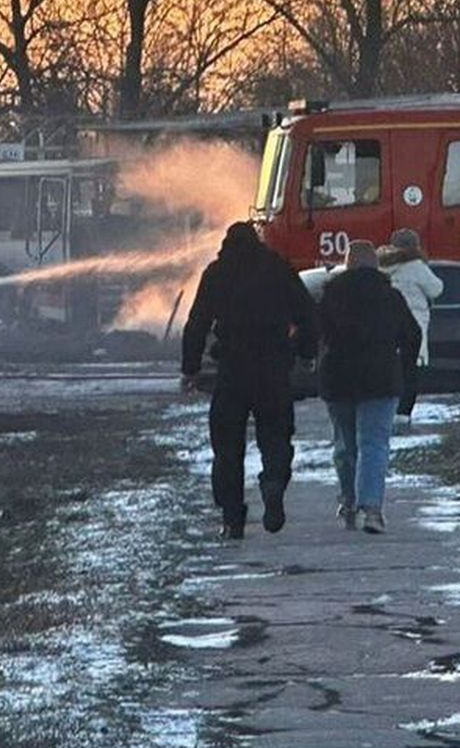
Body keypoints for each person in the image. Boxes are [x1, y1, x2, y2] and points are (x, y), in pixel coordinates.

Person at [182, 222, 318, 540]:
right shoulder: (278, 268)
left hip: (232, 369)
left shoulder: (217, 272)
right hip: (273, 368)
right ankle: (273, 484)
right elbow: (307, 314)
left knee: (227, 447)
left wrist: (190, 368)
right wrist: (306, 352)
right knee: (276, 436)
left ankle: (232, 518)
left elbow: (197, 322)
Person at [317, 240, 421, 534]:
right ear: (376, 265)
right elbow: (412, 334)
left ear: (347, 264)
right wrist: (401, 361)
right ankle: (372, 509)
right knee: (374, 444)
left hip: (338, 379)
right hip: (380, 378)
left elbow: (317, 332)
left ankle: (349, 500)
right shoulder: (391, 297)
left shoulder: (331, 295)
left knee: (345, 445)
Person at [377, 228, 443, 429]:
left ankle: (386, 410)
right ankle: (403, 415)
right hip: (412, 324)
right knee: (409, 371)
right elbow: (436, 288)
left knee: (387, 370)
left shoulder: (381, 266)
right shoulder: (415, 266)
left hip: (384, 326)